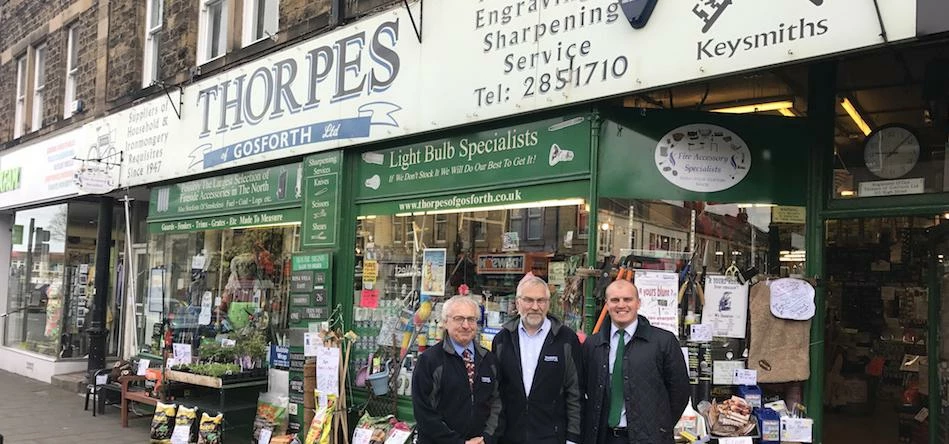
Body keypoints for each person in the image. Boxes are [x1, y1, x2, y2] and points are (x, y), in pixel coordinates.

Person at [581, 279, 690, 444]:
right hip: (603, 437)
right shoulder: (593, 344)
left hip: (649, 438)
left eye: (627, 299)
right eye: (615, 300)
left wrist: (660, 427)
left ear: (638, 303)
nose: (621, 305)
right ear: (607, 304)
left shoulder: (663, 342)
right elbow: (583, 390)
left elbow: (679, 391)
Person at [492, 276, 582, 444]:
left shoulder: (566, 339)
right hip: (509, 436)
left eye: (541, 300)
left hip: (552, 436)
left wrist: (573, 438)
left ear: (548, 303)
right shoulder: (502, 340)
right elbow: (496, 392)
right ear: (518, 303)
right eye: (528, 300)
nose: (535, 307)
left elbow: (574, 392)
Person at [413, 295, 502, 444]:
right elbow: (424, 413)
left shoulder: (489, 360)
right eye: (459, 319)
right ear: (445, 322)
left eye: (471, 319)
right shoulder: (430, 361)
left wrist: (487, 438)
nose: (466, 325)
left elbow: (497, 403)